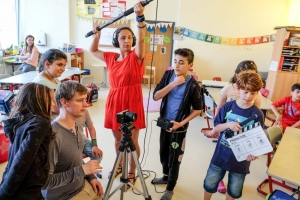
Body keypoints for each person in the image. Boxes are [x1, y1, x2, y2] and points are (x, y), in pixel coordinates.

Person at [90, 1, 146, 185]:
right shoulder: (110, 57)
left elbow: (142, 39)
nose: (127, 41)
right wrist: (96, 35)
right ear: (116, 41)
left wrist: (139, 19)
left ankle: (132, 171)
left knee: (132, 141)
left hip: (132, 99)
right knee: (117, 140)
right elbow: (93, 50)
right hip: (114, 100)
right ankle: (119, 166)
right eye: (122, 38)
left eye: (129, 37)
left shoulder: (136, 56)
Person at [33, 48, 103, 178]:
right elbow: (55, 108)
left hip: (66, 126)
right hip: (54, 129)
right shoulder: (41, 83)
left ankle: (84, 175)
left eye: (64, 65)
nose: (63, 69)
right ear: (47, 64)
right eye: (59, 65)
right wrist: (76, 107)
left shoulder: (54, 80)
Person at [203, 73, 264, 200]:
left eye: (253, 93)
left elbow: (257, 139)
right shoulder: (228, 107)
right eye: (246, 92)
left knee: (234, 190)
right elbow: (216, 128)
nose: (249, 96)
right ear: (238, 89)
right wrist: (229, 124)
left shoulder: (257, 114)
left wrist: (254, 153)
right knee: (209, 183)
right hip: (220, 155)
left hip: (241, 161)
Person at [152, 48, 202, 200]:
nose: (177, 65)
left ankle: (170, 188)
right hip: (165, 123)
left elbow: (198, 109)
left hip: (178, 129)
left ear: (190, 65)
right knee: (163, 153)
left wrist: (181, 123)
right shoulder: (168, 76)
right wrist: (173, 84)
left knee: (175, 157)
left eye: (181, 62)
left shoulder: (193, 85)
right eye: (175, 61)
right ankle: (166, 177)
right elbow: (156, 96)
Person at [41, 81, 103, 200]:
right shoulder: (53, 136)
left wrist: (91, 177)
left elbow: (76, 160)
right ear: (64, 102)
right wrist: (82, 171)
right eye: (80, 100)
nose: (86, 104)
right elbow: (45, 182)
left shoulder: (75, 127)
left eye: (85, 99)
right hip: (63, 196)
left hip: (80, 185)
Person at [0, 83, 53, 200]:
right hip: (28, 192)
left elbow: (12, 162)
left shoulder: (22, 122)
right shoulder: (40, 123)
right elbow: (20, 163)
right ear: (39, 102)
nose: (53, 104)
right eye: (51, 100)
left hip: (19, 188)